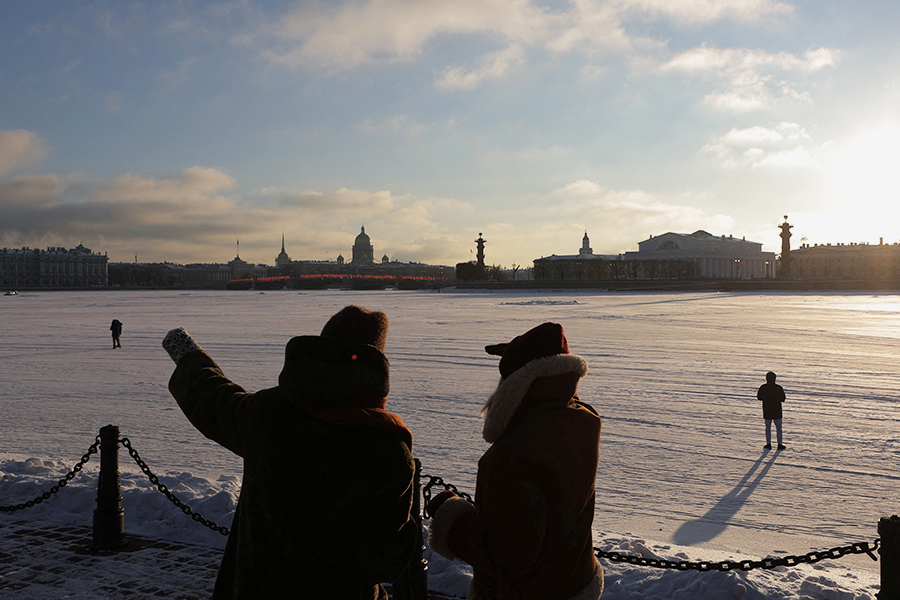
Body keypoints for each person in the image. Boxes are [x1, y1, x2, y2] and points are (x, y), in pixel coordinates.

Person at [161, 305, 417, 600]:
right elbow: (386, 560)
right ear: (375, 367)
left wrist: (189, 356)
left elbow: (215, 399)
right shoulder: (386, 449)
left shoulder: (268, 413)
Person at [427, 322, 603, 600]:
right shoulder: (580, 418)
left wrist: (453, 520)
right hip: (573, 581)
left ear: (516, 383)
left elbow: (508, 557)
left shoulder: (516, 453)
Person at [757, 371, 786, 450]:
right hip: (777, 410)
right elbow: (783, 399)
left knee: (768, 427)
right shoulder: (778, 388)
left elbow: (759, 397)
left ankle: (768, 444)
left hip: (767, 410)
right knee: (779, 427)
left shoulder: (763, 387)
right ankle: (780, 444)